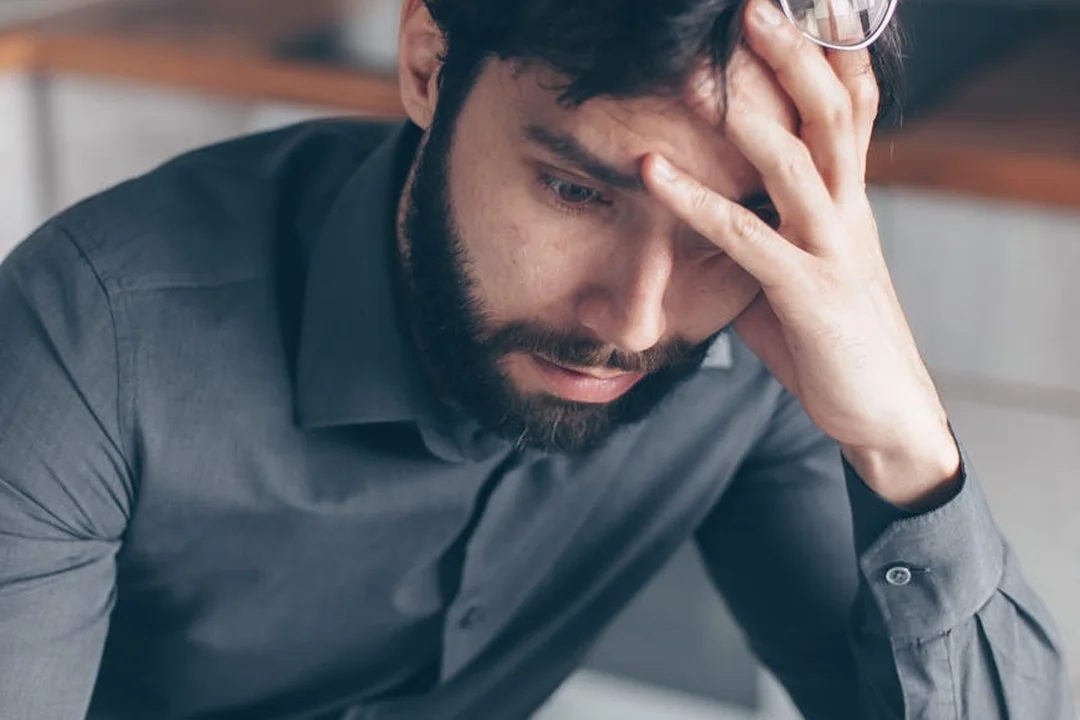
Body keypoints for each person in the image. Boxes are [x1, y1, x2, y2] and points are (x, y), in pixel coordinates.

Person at [0, 0, 1073, 717]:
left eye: (730, 229)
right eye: (574, 190)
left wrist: (905, 449)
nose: (636, 324)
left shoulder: (759, 349)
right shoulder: (93, 343)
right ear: (428, 64)